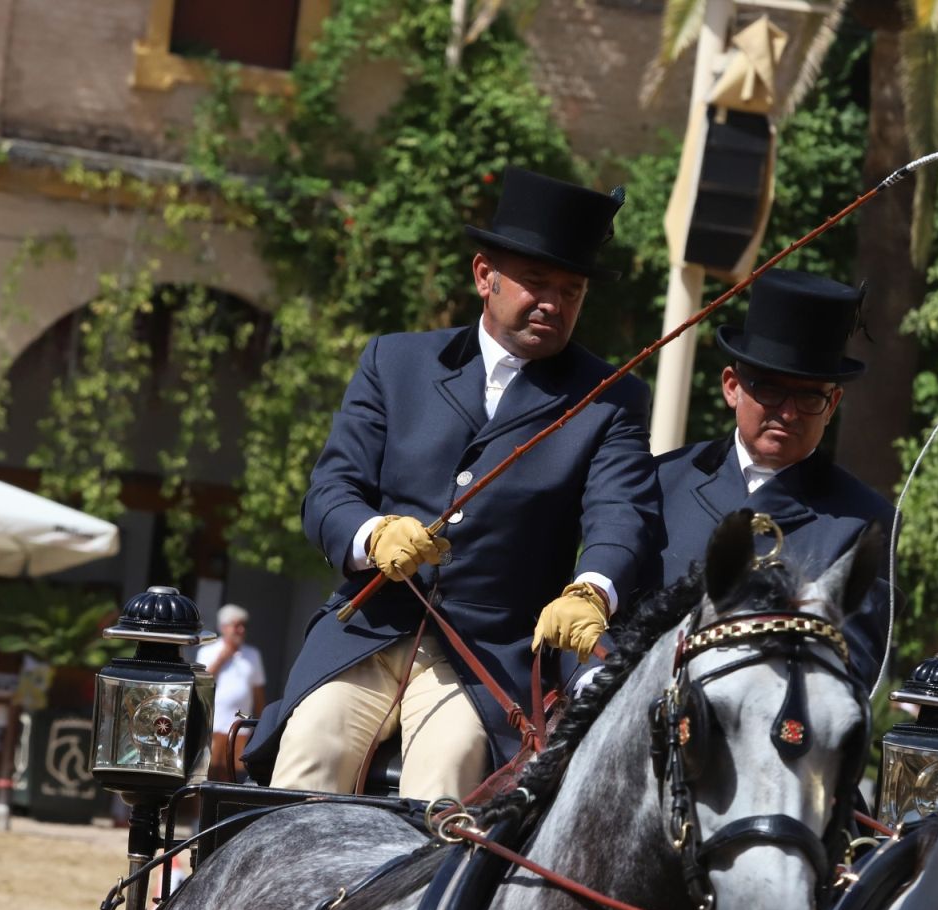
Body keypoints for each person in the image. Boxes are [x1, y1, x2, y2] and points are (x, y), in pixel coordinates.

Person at [247, 167, 658, 801]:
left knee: (445, 778)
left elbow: (622, 512)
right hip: (371, 627)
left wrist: (592, 589)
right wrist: (372, 531)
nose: (553, 302)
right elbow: (331, 491)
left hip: (487, 653)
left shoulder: (610, 399)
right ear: (483, 276)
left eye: (571, 291)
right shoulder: (395, 362)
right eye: (537, 282)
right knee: (312, 747)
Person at [651, 269, 893, 692]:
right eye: (769, 389)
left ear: (832, 403)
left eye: (809, 396)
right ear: (732, 387)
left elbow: (850, 671)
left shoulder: (863, 524)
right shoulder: (661, 480)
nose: (788, 412)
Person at [196, 603, 266, 783]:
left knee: (234, 777)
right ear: (224, 628)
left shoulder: (252, 655)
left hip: (241, 727)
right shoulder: (207, 651)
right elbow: (200, 682)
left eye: (243, 625)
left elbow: (258, 694)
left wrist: (260, 726)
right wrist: (221, 658)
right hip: (213, 726)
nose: (241, 630)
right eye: (237, 625)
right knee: (209, 774)